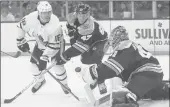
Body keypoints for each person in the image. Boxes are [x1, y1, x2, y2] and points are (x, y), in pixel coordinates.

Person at [77, 26, 169, 107]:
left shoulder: (123, 47)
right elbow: (116, 71)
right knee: (147, 90)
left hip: (145, 74)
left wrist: (92, 73)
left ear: (117, 39)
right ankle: (163, 88)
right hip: (153, 74)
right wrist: (99, 78)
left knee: (124, 96)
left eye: (112, 39)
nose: (111, 43)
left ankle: (127, 99)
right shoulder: (131, 45)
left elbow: (111, 68)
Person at [16, 1, 70, 94]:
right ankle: (40, 80)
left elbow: (54, 46)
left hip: (57, 45)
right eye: (44, 12)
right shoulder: (31, 18)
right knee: (33, 67)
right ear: (39, 12)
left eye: (49, 12)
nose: (47, 15)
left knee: (57, 66)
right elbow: (20, 26)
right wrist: (20, 40)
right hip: (41, 43)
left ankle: (64, 84)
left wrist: (43, 58)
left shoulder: (55, 24)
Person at [58, 3, 108, 94]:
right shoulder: (72, 17)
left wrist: (66, 55)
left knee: (95, 58)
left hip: (101, 41)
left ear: (88, 14)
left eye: (84, 14)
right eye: (79, 14)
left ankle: (101, 81)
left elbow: (80, 48)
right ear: (76, 13)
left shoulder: (89, 26)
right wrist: (71, 32)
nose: (81, 16)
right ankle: (94, 75)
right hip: (88, 39)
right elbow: (70, 26)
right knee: (85, 60)